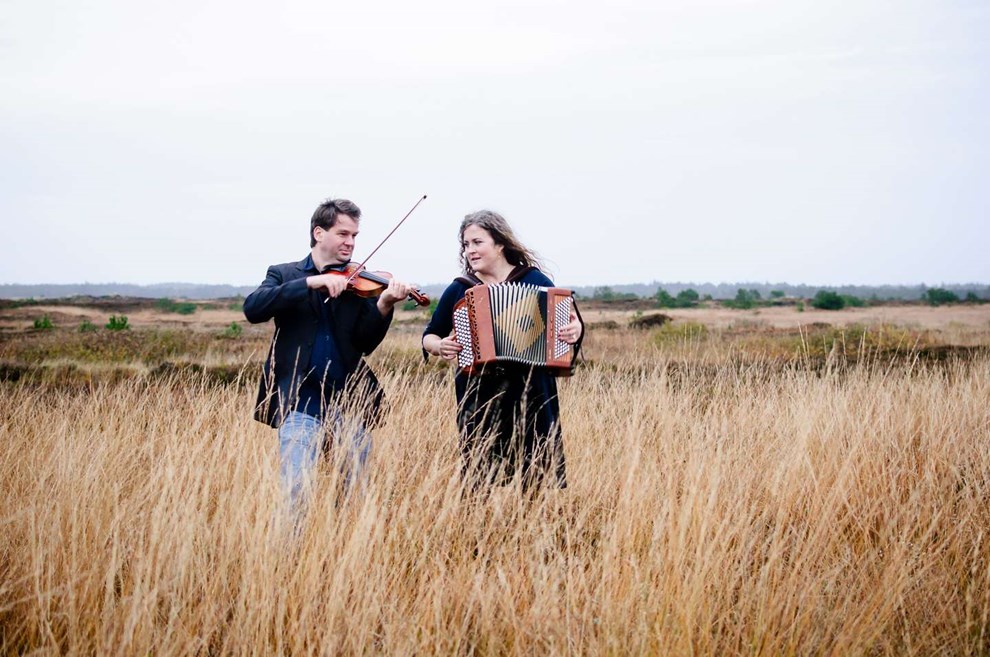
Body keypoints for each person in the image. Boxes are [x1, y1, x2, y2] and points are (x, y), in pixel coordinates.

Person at [244, 197, 415, 521]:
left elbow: (364, 344)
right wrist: (312, 282)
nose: (350, 242)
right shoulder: (284, 274)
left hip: (348, 403)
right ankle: (287, 564)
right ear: (319, 232)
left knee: (355, 491)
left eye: (354, 235)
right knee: (295, 491)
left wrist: (385, 305)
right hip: (300, 402)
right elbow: (254, 308)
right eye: (343, 234)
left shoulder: (358, 280)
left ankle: (341, 553)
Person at [422, 210, 583, 491]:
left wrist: (575, 330)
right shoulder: (461, 288)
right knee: (481, 478)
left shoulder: (535, 280)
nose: (470, 250)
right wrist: (440, 345)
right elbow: (430, 335)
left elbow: (570, 321)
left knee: (537, 477)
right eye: (466, 245)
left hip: (532, 391)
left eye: (477, 242)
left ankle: (530, 531)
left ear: (499, 244)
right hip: (479, 394)